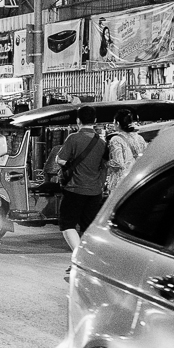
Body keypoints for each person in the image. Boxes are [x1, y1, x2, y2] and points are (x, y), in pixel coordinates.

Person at [56, 105, 107, 264]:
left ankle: (80, 258)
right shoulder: (102, 142)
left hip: (74, 189)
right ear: (95, 121)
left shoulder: (73, 138)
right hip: (95, 191)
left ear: (78, 120)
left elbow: (60, 160)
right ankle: (86, 260)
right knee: (87, 227)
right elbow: (104, 166)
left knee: (67, 224)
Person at [105, 109, 146, 195]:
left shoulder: (116, 139)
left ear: (117, 123)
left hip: (122, 183)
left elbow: (118, 163)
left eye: (114, 122)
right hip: (136, 181)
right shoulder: (140, 138)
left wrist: (106, 163)